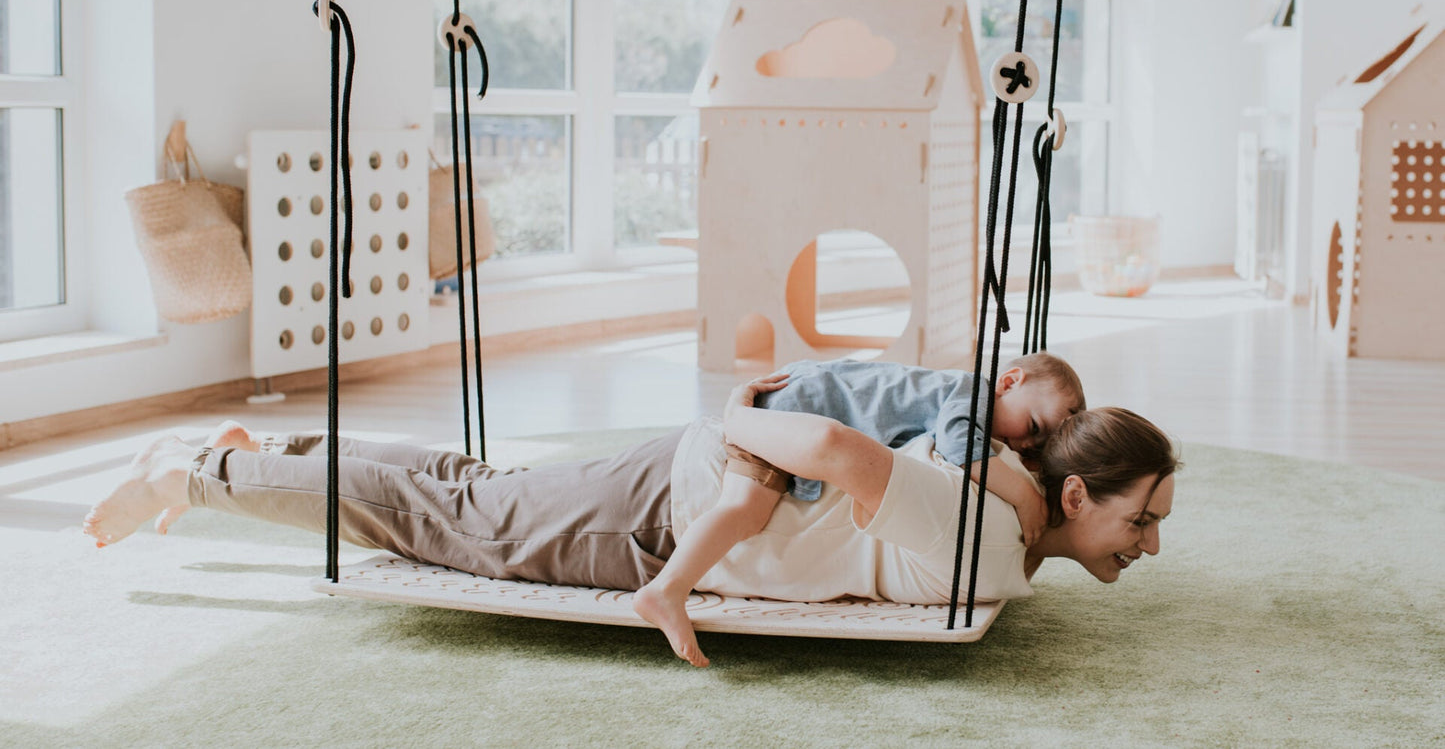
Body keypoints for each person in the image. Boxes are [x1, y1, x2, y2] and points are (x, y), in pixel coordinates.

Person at [83, 389, 1176, 667]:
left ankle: (268, 452)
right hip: (671, 513)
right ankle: (197, 476)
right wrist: (738, 422)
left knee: (473, 488)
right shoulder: (986, 539)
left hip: (689, 483)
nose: (1151, 542)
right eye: (1142, 517)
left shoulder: (1001, 511)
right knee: (456, 520)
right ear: (1077, 495)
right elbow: (837, 447)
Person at [633, 353, 1086, 665]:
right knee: (744, 510)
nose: (1025, 444)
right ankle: (666, 590)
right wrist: (1024, 495)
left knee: (747, 511)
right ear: (1009, 381)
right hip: (796, 407)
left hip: (806, 396)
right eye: (1033, 426)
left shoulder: (963, 396)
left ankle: (668, 588)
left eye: (1037, 446)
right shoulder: (973, 394)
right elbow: (960, 447)